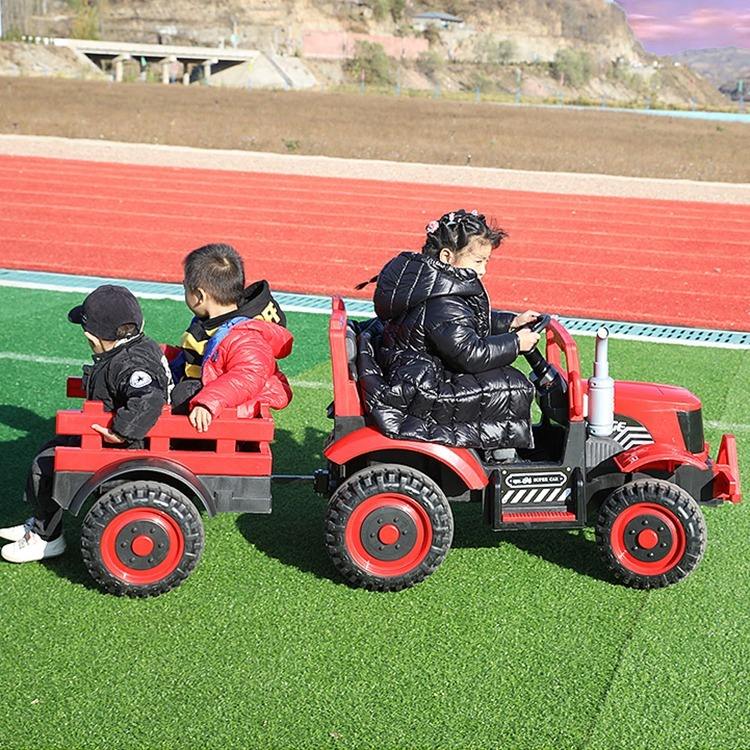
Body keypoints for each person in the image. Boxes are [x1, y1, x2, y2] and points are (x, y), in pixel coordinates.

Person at [0, 285, 172, 563]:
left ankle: (47, 538)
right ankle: (43, 522)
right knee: (52, 448)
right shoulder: (136, 349)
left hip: (130, 444)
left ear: (93, 337)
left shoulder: (130, 363)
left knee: (45, 465)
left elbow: (149, 398)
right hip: (121, 435)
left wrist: (121, 431)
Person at [357, 209, 540, 455]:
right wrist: (516, 343)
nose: (483, 270)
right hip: (420, 386)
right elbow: (471, 354)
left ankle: (497, 449)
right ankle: (501, 458)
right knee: (510, 387)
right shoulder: (442, 301)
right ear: (446, 256)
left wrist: (511, 323)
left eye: (486, 262)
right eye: (478, 261)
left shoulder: (431, 284)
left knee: (504, 379)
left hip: (413, 370)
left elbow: (464, 323)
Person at [168, 243, 293, 431]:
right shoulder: (208, 323)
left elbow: (248, 376)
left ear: (199, 296)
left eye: (185, 287)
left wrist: (208, 402)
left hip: (231, 413)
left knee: (183, 394)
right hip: (213, 401)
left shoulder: (245, 337)